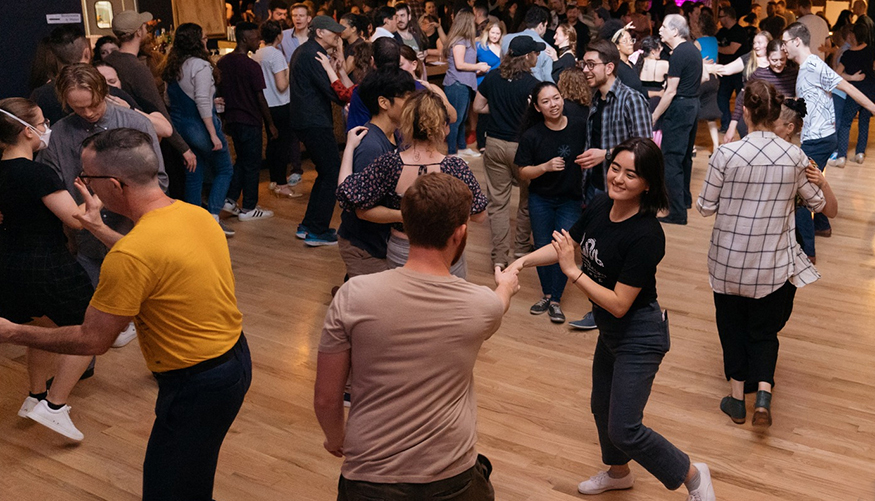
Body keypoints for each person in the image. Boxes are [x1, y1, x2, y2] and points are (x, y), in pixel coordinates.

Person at [0, 128, 251, 501]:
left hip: (196, 382)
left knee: (170, 489)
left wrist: (12, 332)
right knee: (192, 473)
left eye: (86, 178)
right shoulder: (192, 214)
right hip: (234, 361)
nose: (83, 185)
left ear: (115, 184)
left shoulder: (130, 256)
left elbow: (93, 340)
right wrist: (100, 230)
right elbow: (154, 260)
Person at [508, 137, 715, 501]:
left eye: (630, 174)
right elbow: (565, 245)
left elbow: (620, 303)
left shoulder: (648, 234)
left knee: (625, 429)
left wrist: (572, 272)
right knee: (601, 407)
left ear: (648, 183)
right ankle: (618, 474)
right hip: (610, 332)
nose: (618, 178)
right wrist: (520, 262)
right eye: (615, 168)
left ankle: (695, 476)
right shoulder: (602, 205)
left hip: (640, 335)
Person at [316, 172, 519, 500]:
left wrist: (335, 438)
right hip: (452, 477)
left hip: (369, 479)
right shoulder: (480, 304)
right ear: (459, 234)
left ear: (406, 226)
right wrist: (506, 286)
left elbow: (327, 397)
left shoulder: (353, 294)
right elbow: (499, 302)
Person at [697, 80, 838, 427]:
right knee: (764, 331)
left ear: (745, 112)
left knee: (730, 327)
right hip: (772, 263)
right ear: (776, 114)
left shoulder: (726, 155)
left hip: (728, 261)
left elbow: (703, 207)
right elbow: (821, 206)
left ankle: (735, 399)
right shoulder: (795, 157)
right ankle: (763, 394)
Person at [0, 98, 103, 441]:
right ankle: (55, 406)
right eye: (43, 122)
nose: (48, 128)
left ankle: (35, 396)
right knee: (91, 331)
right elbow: (75, 223)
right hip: (47, 265)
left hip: (8, 265)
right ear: (27, 132)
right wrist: (92, 204)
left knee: (40, 330)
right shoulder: (39, 174)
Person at [337, 90, 488, 278]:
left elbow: (348, 194)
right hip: (446, 250)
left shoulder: (390, 164)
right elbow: (479, 215)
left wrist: (349, 146)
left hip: (402, 251)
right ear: (442, 127)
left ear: (406, 124)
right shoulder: (455, 168)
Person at [570, 39, 652, 331]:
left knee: (615, 254)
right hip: (596, 188)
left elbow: (644, 149)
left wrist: (604, 154)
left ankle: (615, 308)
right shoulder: (596, 99)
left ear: (610, 66)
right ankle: (599, 309)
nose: (585, 70)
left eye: (591, 64)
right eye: (583, 64)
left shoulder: (631, 99)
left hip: (621, 191)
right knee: (596, 253)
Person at [782, 22, 875, 258]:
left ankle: (806, 251)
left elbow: (848, 88)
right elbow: (806, 101)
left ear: (796, 41)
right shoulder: (805, 68)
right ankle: (822, 224)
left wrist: (873, 107)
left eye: (784, 42)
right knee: (814, 181)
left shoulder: (813, 65)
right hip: (817, 137)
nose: (783, 47)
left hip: (819, 140)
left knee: (801, 194)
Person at [515, 82, 586, 324]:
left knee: (562, 248)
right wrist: (544, 167)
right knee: (542, 245)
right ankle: (547, 294)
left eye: (556, 98)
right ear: (537, 107)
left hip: (571, 199)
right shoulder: (532, 135)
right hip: (541, 199)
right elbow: (522, 172)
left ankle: (556, 299)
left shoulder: (579, 126)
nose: (553, 104)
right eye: (546, 101)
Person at [336, 67, 416, 278]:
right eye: (407, 98)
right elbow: (363, 209)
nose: (412, 104)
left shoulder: (393, 136)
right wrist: (409, 216)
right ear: (383, 103)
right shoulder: (371, 146)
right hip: (364, 247)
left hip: (376, 243)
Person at [472, 35, 542, 269]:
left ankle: (499, 258)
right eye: (535, 53)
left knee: (498, 203)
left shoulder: (492, 76)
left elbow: (478, 107)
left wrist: (501, 108)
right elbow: (538, 117)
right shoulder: (532, 85)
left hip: (493, 144)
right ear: (527, 57)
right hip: (522, 147)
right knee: (526, 199)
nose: (538, 56)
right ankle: (522, 246)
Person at [161, 23, 236, 236]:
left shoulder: (173, 66)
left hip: (179, 126)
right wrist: (213, 134)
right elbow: (203, 102)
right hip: (199, 126)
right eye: (204, 37)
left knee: (194, 171)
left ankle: (194, 221)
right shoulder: (200, 66)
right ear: (198, 41)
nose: (207, 40)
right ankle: (212, 218)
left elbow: (168, 98)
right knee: (225, 169)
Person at [104, 11, 198, 174]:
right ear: (139, 32)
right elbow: (159, 110)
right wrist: (184, 149)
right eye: (144, 26)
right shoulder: (137, 69)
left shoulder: (108, 61)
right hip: (142, 140)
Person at [289, 15, 347, 246]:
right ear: (320, 32)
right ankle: (317, 231)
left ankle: (309, 225)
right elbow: (336, 94)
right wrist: (336, 72)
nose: (338, 35)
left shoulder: (306, 51)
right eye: (333, 31)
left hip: (306, 120)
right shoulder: (313, 55)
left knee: (326, 172)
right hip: (314, 121)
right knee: (332, 172)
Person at [217, 22, 276, 222]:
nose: (258, 41)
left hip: (233, 120)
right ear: (243, 39)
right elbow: (260, 98)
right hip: (250, 120)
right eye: (254, 38)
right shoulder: (252, 66)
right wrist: (271, 124)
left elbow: (220, 93)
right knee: (252, 165)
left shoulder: (223, 63)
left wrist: (224, 119)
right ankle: (249, 208)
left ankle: (231, 199)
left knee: (241, 161)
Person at [652, 14, 701, 225]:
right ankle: (685, 201)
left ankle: (677, 212)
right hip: (692, 106)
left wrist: (654, 116)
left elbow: (670, 92)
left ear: (674, 31)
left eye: (663, 26)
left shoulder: (679, 53)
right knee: (684, 158)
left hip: (680, 107)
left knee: (671, 160)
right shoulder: (691, 49)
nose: (660, 30)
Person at [253, 21, 301, 199]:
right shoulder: (276, 55)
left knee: (273, 144)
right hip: (281, 104)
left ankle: (274, 180)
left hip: (266, 105)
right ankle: (282, 184)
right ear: (279, 36)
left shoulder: (257, 54)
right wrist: (289, 71)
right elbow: (282, 85)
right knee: (283, 146)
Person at [723, 39, 797, 145]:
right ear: (767, 58)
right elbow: (743, 99)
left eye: (782, 59)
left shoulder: (792, 74)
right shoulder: (759, 74)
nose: (779, 63)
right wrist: (731, 127)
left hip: (783, 127)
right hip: (761, 126)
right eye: (774, 60)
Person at [443, 10, 490, 157]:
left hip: (464, 83)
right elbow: (460, 64)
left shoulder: (465, 39)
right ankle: (452, 153)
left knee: (462, 119)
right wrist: (478, 66)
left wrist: (477, 71)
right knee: (455, 120)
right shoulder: (459, 40)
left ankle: (462, 148)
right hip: (456, 84)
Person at [711, 30, 771, 141]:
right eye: (754, 43)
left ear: (769, 43)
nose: (756, 46)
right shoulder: (748, 58)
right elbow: (726, 69)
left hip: (767, 114)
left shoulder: (776, 62)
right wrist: (709, 68)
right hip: (747, 111)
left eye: (760, 42)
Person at [835, 22, 875, 166]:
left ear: (854, 35)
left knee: (846, 123)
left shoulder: (848, 54)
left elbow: (837, 74)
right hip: (870, 92)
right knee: (864, 123)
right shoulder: (871, 51)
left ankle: (841, 156)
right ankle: (859, 154)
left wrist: (851, 77)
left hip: (855, 93)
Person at [715, 6, 750, 131]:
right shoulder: (721, 32)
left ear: (728, 17)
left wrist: (716, 49)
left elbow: (731, 50)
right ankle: (726, 124)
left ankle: (742, 125)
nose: (719, 19)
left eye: (721, 16)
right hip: (725, 71)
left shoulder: (739, 31)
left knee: (741, 99)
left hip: (739, 71)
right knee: (721, 98)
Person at [502, 7, 556, 83]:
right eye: (546, 26)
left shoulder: (506, 39)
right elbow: (549, 80)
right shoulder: (547, 49)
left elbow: (501, 64)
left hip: (506, 85)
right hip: (534, 90)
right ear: (541, 25)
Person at [475, 19, 504, 151]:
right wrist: (477, 70)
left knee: (496, 112)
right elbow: (469, 65)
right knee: (483, 115)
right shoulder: (480, 46)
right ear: (488, 32)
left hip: (499, 84)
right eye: (493, 32)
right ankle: (481, 143)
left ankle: (493, 141)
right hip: (483, 83)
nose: (495, 36)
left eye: (497, 33)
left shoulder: (503, 48)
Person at [696, 9, 722, 155]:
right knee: (711, 117)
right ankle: (716, 146)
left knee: (693, 113)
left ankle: (691, 147)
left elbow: (692, 61)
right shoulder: (714, 41)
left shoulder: (698, 42)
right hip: (714, 78)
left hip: (701, 78)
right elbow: (716, 60)